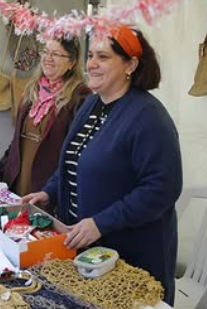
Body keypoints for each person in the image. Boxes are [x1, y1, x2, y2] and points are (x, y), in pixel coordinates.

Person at [23, 25, 182, 305]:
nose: (92, 64)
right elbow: (75, 160)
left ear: (131, 64)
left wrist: (101, 223)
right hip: (87, 249)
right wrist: (50, 191)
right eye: (91, 55)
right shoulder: (91, 105)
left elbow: (162, 188)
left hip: (131, 253)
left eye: (104, 57)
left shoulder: (149, 117)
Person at [0, 37, 90, 196]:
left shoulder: (80, 97)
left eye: (56, 54)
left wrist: (51, 190)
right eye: (45, 52)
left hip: (47, 187)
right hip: (15, 182)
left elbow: (77, 154)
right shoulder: (32, 89)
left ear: (72, 63)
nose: (48, 58)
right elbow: (17, 142)